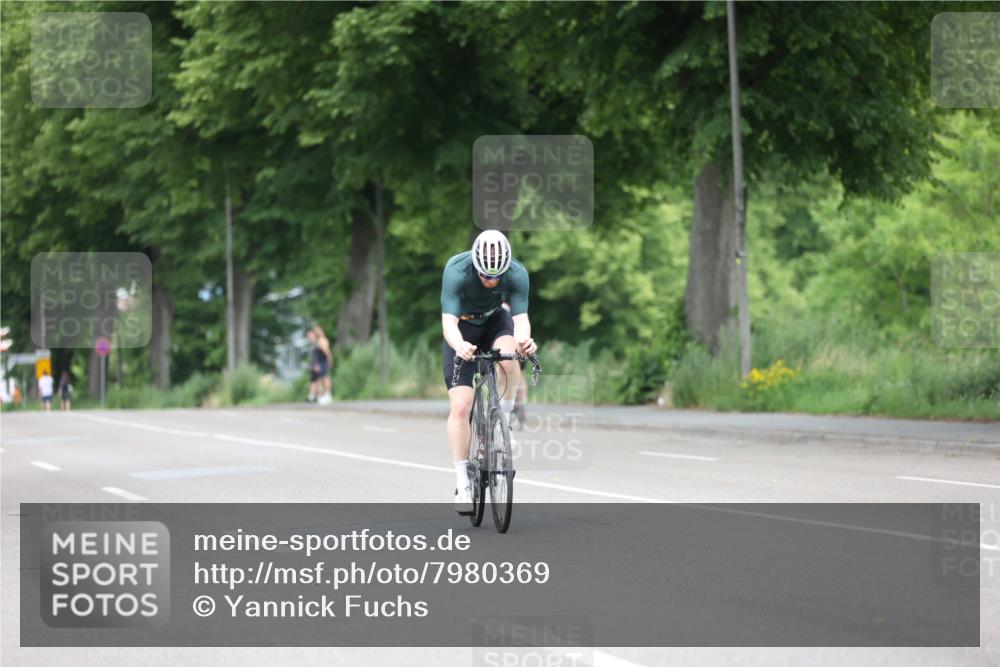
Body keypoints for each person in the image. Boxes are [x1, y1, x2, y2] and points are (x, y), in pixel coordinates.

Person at [441, 230, 537, 514]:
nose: (491, 281)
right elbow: (447, 323)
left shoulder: (518, 273)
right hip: (462, 326)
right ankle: (463, 482)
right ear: (476, 265)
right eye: (485, 276)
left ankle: (502, 420)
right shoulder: (456, 270)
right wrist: (460, 346)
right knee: (460, 406)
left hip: (495, 320)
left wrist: (525, 341)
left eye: (497, 277)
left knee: (510, 356)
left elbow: (521, 320)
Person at [314, 325, 333, 404]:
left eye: (317, 330)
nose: (316, 332)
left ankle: (328, 394)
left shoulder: (322, 340)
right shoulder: (318, 340)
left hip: (323, 361)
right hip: (320, 362)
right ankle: (323, 395)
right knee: (320, 379)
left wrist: (330, 360)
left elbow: (326, 351)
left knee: (325, 378)